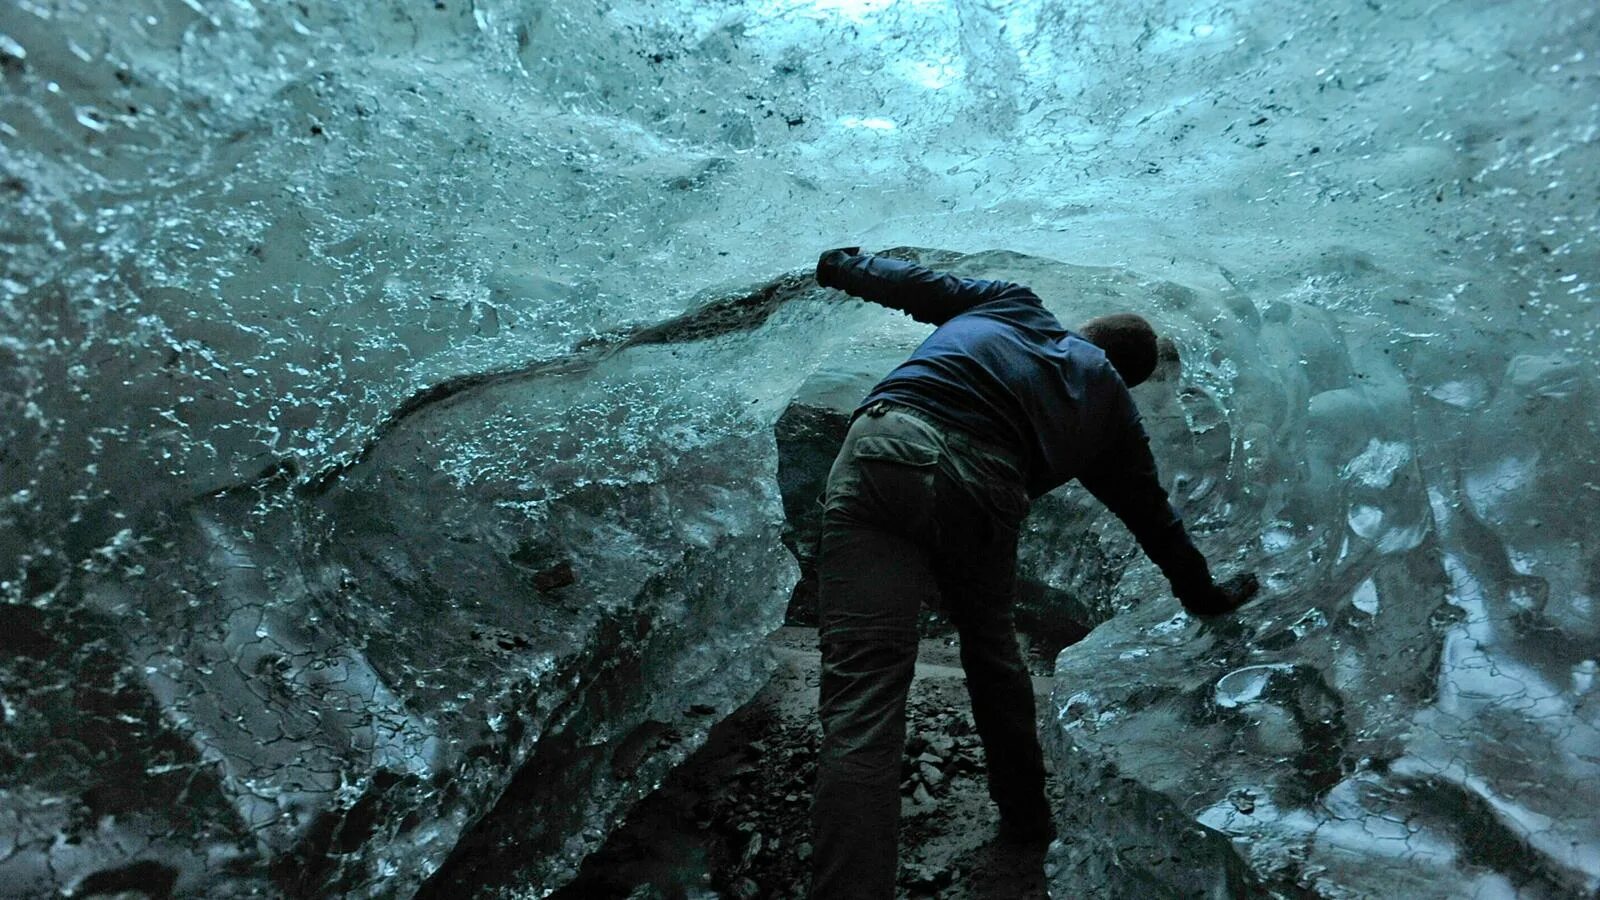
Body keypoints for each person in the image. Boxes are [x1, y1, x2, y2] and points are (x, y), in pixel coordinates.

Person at [808, 248, 1259, 899]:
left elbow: (914, 285)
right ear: (1130, 377)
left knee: (862, 698)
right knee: (992, 653)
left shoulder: (1010, 305)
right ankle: (1024, 817)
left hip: (884, 446)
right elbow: (1154, 521)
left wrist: (844, 265)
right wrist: (1207, 597)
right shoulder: (1110, 409)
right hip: (983, 486)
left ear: (1085, 329)